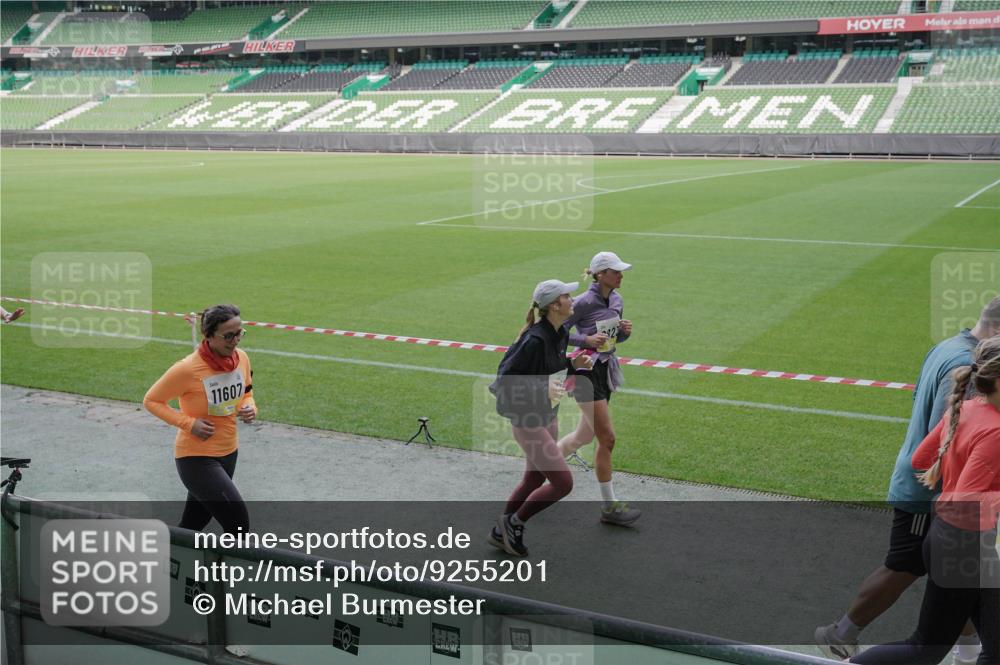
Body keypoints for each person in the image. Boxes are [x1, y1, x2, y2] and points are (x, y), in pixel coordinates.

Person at [817, 295, 1000, 662]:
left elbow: (928, 450)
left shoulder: (953, 358)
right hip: (946, 514)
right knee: (905, 569)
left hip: (945, 517)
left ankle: (966, 652)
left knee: (937, 624)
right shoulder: (970, 378)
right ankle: (841, 635)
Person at [488, 279, 593, 557]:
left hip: (548, 415)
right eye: (568, 296)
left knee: (534, 480)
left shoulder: (559, 332)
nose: (573, 299)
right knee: (563, 483)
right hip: (528, 421)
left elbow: (551, 370)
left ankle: (501, 532)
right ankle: (515, 524)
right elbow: (503, 381)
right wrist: (540, 386)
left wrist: (573, 365)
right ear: (555, 305)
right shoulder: (534, 339)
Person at [144, 304, 256, 534]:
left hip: (228, 452)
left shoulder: (242, 359)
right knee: (238, 525)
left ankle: (164, 563)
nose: (236, 340)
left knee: (193, 526)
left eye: (239, 333)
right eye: (228, 335)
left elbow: (247, 391)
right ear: (209, 335)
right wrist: (188, 423)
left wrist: (249, 406)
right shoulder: (188, 369)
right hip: (196, 459)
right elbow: (151, 400)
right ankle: (220, 571)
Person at [556, 251, 640, 526]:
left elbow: (613, 340)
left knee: (583, 436)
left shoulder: (617, 299)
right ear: (600, 274)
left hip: (605, 370)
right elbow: (558, 333)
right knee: (608, 439)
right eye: (615, 271)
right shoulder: (582, 302)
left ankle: (541, 467)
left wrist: (624, 333)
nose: (621, 275)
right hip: (584, 372)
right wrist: (586, 339)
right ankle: (609, 506)